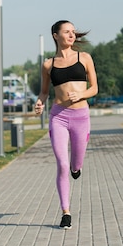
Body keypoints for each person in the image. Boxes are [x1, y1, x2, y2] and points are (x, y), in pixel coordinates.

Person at [34, 20, 98, 229]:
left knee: (75, 163)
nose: (72, 35)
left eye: (73, 32)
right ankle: (66, 212)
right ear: (56, 36)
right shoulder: (48, 65)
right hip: (58, 117)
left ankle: (76, 167)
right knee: (61, 164)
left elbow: (94, 88)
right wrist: (40, 102)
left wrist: (80, 94)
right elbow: (44, 92)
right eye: (67, 32)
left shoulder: (85, 58)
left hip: (81, 117)